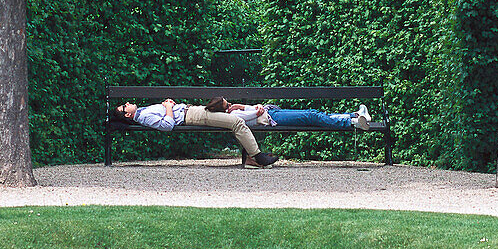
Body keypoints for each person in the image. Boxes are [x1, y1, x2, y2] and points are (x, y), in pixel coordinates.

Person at [111, 98, 280, 168]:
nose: (126, 103)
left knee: (232, 115)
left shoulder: (143, 110)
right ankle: (257, 157)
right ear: (128, 114)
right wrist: (169, 107)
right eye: (124, 106)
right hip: (192, 116)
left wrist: (170, 104)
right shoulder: (143, 117)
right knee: (236, 122)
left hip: (191, 110)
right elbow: (167, 125)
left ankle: (250, 157)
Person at [213, 98, 372, 130]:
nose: (231, 105)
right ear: (224, 110)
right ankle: (352, 121)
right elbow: (254, 113)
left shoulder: (235, 110)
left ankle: (355, 115)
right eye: (228, 105)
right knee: (312, 116)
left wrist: (243, 105)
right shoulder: (233, 116)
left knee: (314, 114)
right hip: (272, 119)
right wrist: (254, 107)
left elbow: (257, 108)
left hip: (272, 112)